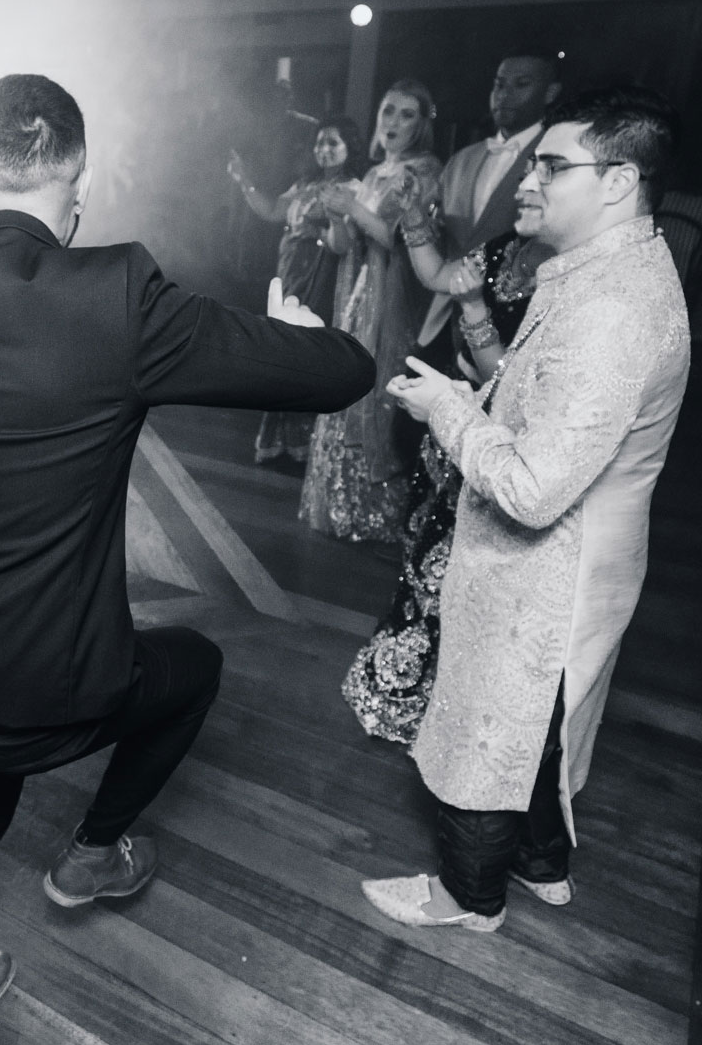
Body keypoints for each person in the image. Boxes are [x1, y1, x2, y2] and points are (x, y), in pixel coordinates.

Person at [0, 74, 374, 1045]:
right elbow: (341, 375)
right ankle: (93, 854)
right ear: (78, 187)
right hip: (37, 693)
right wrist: (308, 337)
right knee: (189, 673)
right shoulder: (119, 298)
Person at [364, 86, 691, 931]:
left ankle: (469, 896)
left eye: (553, 164)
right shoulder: (610, 268)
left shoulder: (615, 306)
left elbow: (535, 489)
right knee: (549, 723)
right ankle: (543, 864)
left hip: (554, 567)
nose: (529, 181)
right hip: (585, 558)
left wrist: (447, 412)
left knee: (497, 722)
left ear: (619, 181)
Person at [344, 212, 548, 743]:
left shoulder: (566, 279)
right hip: (454, 421)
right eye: (530, 169)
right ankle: (397, 683)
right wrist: (414, 224)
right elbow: (439, 274)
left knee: (456, 574)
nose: (527, 185)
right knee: (420, 549)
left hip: (494, 439)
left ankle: (441, 710)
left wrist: (475, 308)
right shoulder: (508, 246)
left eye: (546, 172)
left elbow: (507, 385)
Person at [299, 80, 443, 544]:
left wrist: (352, 207)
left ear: (422, 124)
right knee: (344, 383)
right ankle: (336, 508)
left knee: (377, 390)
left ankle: (377, 516)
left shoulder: (424, 172)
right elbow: (345, 246)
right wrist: (336, 218)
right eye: (387, 112)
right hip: (356, 293)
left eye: (405, 114)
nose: (393, 123)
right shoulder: (375, 173)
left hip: (392, 297)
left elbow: (396, 238)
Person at [413, 54, 562, 376]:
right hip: (444, 311)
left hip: (513, 323)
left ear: (550, 93)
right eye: (499, 84)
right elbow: (438, 254)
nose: (505, 94)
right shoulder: (463, 158)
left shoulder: (554, 160)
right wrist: (415, 218)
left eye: (522, 84)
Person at [227, 115, 362, 466]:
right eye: (320, 143)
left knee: (304, 348)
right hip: (291, 268)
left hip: (322, 272)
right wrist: (246, 183)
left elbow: (345, 243)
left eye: (333, 143)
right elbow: (273, 211)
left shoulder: (355, 189)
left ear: (350, 147)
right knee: (280, 345)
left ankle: (307, 442)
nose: (324, 149)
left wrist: (334, 217)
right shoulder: (305, 184)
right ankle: (281, 440)